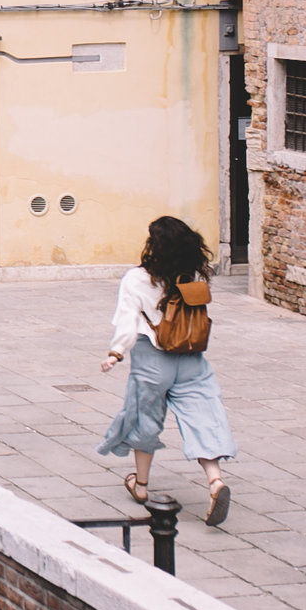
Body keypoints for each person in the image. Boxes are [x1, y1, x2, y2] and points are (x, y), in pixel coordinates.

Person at [97, 216, 237, 526]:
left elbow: (128, 321)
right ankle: (215, 481)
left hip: (152, 359)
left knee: (145, 420)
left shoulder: (137, 278)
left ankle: (142, 486)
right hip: (190, 356)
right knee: (203, 416)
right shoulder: (193, 275)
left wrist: (115, 353)